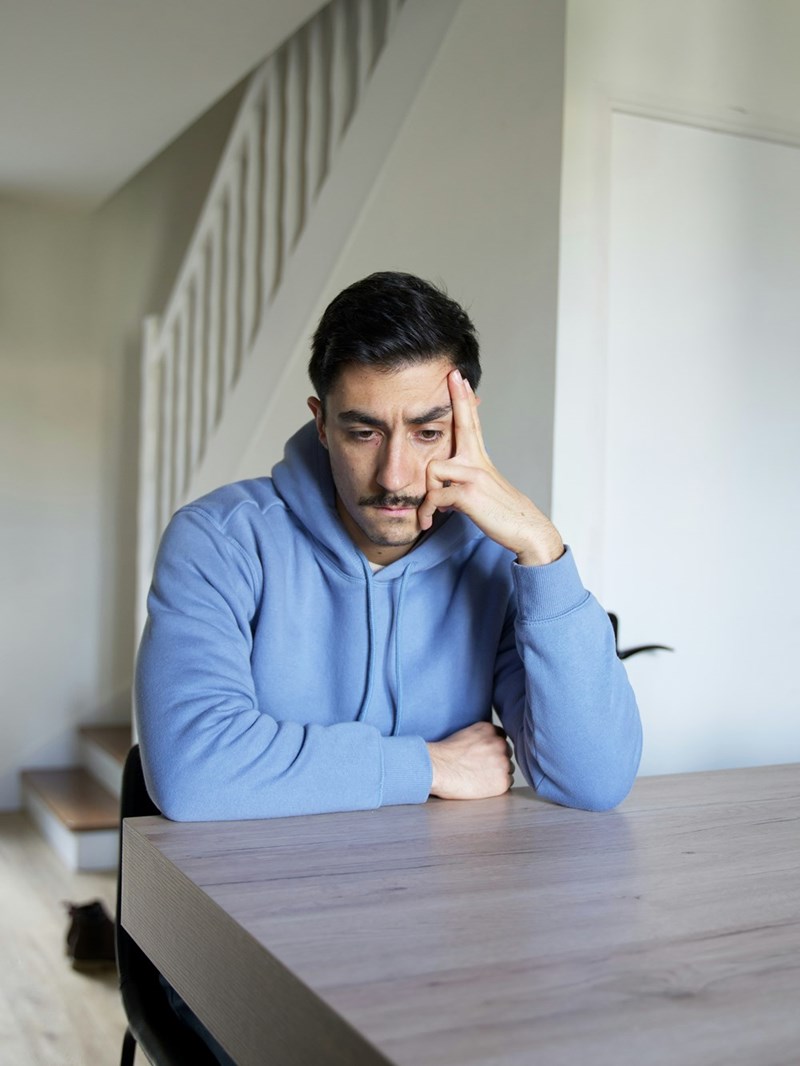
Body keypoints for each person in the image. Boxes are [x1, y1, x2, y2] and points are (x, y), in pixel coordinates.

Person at [135, 271, 642, 820]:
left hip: (436, 893)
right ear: (322, 424)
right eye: (363, 433)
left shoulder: (494, 560)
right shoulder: (221, 539)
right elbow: (192, 773)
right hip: (256, 891)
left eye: (427, 432)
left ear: (466, 425)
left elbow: (596, 780)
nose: (395, 476)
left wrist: (544, 550)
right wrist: (430, 766)